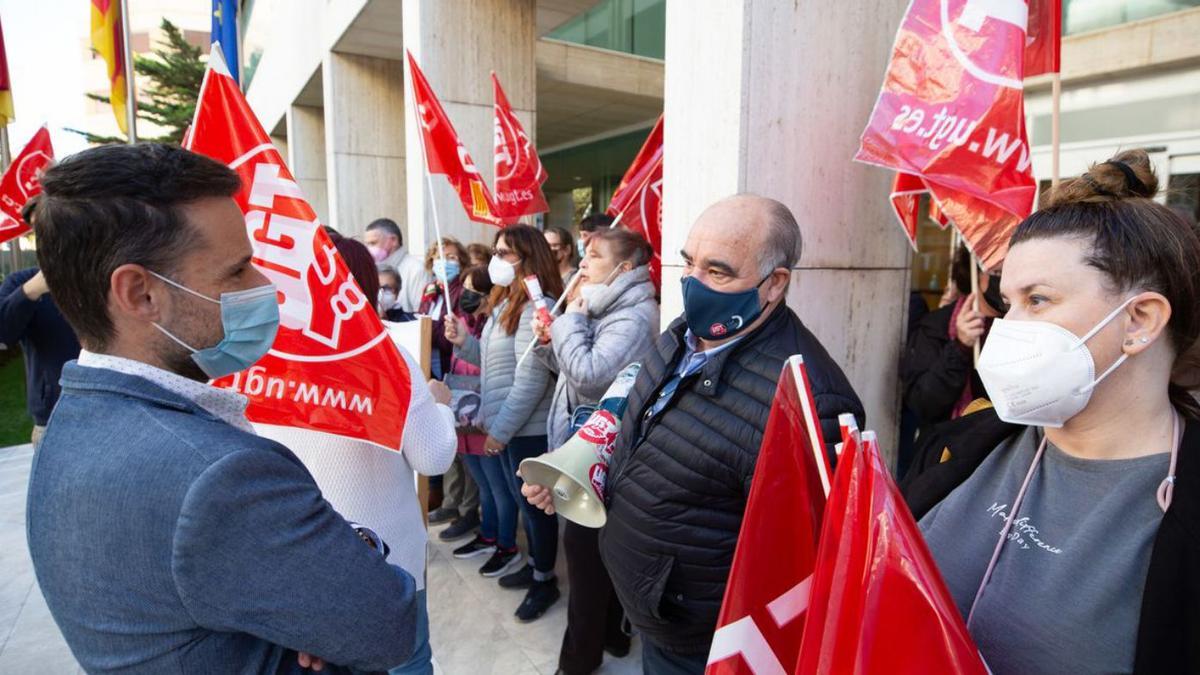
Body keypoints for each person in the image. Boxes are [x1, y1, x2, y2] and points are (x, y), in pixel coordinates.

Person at [25, 143, 418, 673]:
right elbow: (387, 622)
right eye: (237, 272)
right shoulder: (219, 475)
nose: (266, 288)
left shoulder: (74, 420)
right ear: (140, 294)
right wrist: (358, 547)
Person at [524, 194, 865, 673]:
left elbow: (790, 572)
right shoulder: (681, 334)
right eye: (688, 263)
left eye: (718, 271)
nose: (692, 283)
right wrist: (581, 478)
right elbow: (641, 439)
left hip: (699, 643)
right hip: (648, 608)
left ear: (775, 284)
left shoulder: (809, 401)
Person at [905, 150, 1200, 674]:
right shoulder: (965, 440)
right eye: (1008, 302)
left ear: (1140, 320)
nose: (1009, 326)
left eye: (1037, 300)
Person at [259, 232, 457, 675]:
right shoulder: (384, 358)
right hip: (384, 552)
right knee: (406, 659)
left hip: (300, 549)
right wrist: (440, 404)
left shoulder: (261, 359)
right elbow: (434, 455)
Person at [531, 227, 659, 674]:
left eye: (595, 256)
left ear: (625, 269)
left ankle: (576, 663)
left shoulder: (635, 316)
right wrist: (552, 343)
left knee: (582, 561)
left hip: (604, 460)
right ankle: (612, 638)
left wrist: (567, 323)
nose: (583, 264)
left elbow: (588, 375)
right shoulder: (601, 308)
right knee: (595, 556)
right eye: (584, 255)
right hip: (587, 450)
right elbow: (570, 374)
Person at [444, 224, 564, 622]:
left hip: (528, 428)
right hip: (511, 424)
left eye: (504, 253)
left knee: (536, 511)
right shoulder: (505, 303)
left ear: (527, 257)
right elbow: (494, 367)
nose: (496, 261)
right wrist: (465, 341)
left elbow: (529, 381)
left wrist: (499, 431)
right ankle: (536, 569)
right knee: (525, 506)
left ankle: (544, 579)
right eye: (495, 252)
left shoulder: (535, 306)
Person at [446, 266, 522, 573]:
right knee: (482, 483)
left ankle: (506, 544)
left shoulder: (500, 325)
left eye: (474, 291)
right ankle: (488, 534)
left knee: (497, 487)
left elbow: (497, 370)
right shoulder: (464, 323)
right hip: (464, 412)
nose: (467, 296)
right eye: (464, 289)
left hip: (487, 417)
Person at [418, 237, 484, 541]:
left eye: (454, 256)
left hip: (457, 371)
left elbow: (451, 337)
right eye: (441, 256)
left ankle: (468, 507)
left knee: (466, 444)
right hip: (433, 370)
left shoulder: (460, 293)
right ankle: (450, 501)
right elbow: (421, 326)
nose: (447, 261)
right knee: (451, 443)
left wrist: (434, 331)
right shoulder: (430, 291)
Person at [901, 244, 1004, 437]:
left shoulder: (1029, 328)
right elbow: (923, 403)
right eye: (997, 272)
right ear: (976, 273)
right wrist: (960, 347)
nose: (1006, 280)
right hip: (948, 448)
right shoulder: (937, 325)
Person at [0, 261, 81, 448]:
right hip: (53, 419)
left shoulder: (100, 278)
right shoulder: (22, 281)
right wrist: (30, 291)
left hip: (110, 409)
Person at [365, 217, 428, 314]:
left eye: (373, 243)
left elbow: (422, 315)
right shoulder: (373, 269)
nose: (369, 249)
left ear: (393, 240)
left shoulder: (416, 269)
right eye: (367, 244)